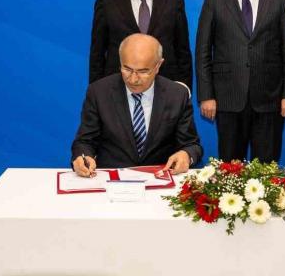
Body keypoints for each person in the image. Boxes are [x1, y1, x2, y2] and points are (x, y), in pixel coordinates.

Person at [195, 0, 285, 163]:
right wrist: (206, 95)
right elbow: (203, 51)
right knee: (231, 170)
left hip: (270, 100)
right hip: (228, 99)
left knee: (267, 170)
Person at [72, 34, 202, 176]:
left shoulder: (177, 95)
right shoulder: (99, 92)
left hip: (159, 177)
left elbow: (191, 145)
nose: (133, 79)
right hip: (112, 178)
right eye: (127, 69)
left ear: (158, 65)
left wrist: (186, 155)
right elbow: (85, 141)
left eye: (143, 71)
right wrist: (82, 157)